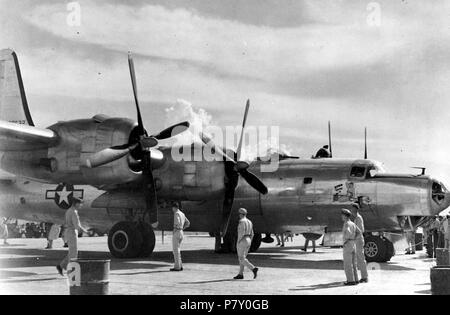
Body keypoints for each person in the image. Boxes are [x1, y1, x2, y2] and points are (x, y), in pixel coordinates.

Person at [57, 197, 88, 276]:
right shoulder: (74, 212)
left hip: (69, 232)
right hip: (72, 232)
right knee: (74, 253)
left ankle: (61, 266)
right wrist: (85, 231)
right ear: (76, 203)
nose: (81, 205)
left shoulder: (68, 211)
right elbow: (77, 225)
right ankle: (71, 272)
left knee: (71, 252)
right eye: (80, 204)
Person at [234, 208, 259, 280]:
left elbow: (241, 232)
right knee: (243, 258)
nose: (238, 215)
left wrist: (238, 241)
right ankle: (240, 274)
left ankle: (253, 268)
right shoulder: (249, 221)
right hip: (248, 239)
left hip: (242, 239)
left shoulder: (241, 221)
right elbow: (252, 233)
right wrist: (249, 241)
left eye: (239, 213)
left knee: (241, 258)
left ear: (241, 214)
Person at [341, 208, 360, 286]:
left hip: (348, 244)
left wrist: (346, 240)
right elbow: (359, 232)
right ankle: (356, 279)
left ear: (345, 216)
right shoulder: (352, 223)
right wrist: (354, 238)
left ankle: (350, 281)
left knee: (347, 264)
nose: (341, 216)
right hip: (353, 244)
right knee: (354, 263)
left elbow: (348, 232)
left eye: (342, 215)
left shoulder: (346, 224)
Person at [351, 203, 368, 282]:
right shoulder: (355, 218)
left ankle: (365, 277)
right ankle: (362, 276)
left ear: (355, 209)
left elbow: (361, 230)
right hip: (356, 240)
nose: (351, 210)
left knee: (361, 258)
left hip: (359, 240)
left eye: (352, 209)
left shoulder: (358, 218)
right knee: (358, 258)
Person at [171, 201, 190, 271]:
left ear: (174, 207)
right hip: (181, 232)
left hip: (177, 232)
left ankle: (177, 267)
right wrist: (182, 228)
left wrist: (176, 228)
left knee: (175, 250)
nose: (172, 210)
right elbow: (188, 223)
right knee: (178, 249)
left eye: (172, 208)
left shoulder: (176, 214)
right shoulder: (182, 213)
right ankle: (180, 265)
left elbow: (177, 222)